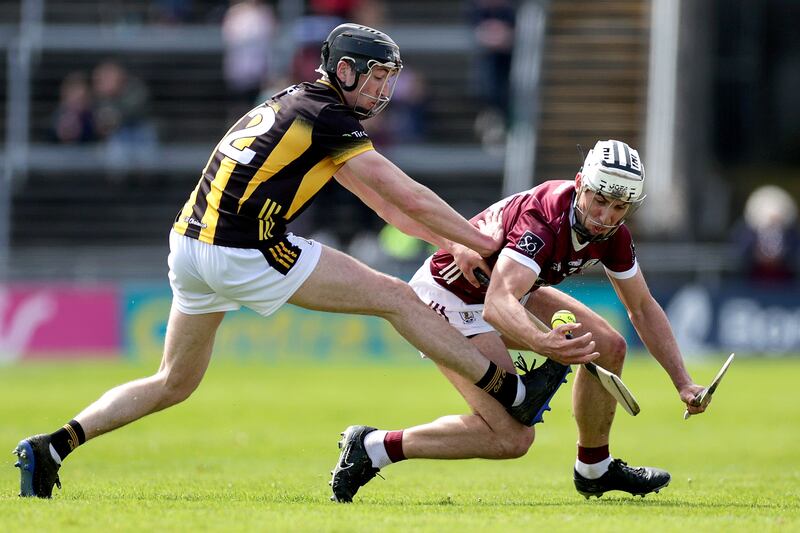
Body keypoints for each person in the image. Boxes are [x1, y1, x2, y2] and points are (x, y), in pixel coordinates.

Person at [13, 23, 597, 499]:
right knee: (398, 298)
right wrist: (486, 244)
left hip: (190, 248)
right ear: (343, 71)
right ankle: (510, 391)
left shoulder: (303, 106)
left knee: (173, 382)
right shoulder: (328, 117)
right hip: (244, 247)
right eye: (373, 78)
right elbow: (410, 195)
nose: (381, 92)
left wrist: (455, 244)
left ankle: (53, 445)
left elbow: (391, 211)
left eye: (387, 80)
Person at [332, 139, 709, 502]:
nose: (605, 217)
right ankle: (373, 447)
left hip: (506, 290)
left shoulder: (613, 234)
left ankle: (595, 469)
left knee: (608, 346)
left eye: (618, 207)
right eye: (599, 201)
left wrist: (683, 382)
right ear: (581, 185)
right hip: (449, 297)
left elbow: (641, 307)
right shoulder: (542, 220)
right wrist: (543, 343)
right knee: (512, 439)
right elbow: (497, 304)